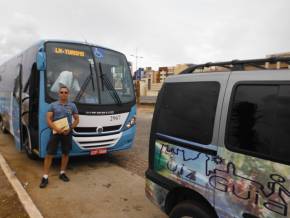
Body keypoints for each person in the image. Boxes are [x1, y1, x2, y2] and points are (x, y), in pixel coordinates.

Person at [39, 85, 79, 188]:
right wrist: (57, 129)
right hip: (55, 132)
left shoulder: (72, 106)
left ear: (68, 94)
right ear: (58, 94)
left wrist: (70, 128)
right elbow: (48, 119)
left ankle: (62, 173)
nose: (63, 94)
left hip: (67, 132)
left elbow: (77, 119)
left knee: (65, 153)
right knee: (49, 154)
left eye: (66, 92)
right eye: (61, 92)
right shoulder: (53, 105)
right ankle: (45, 177)